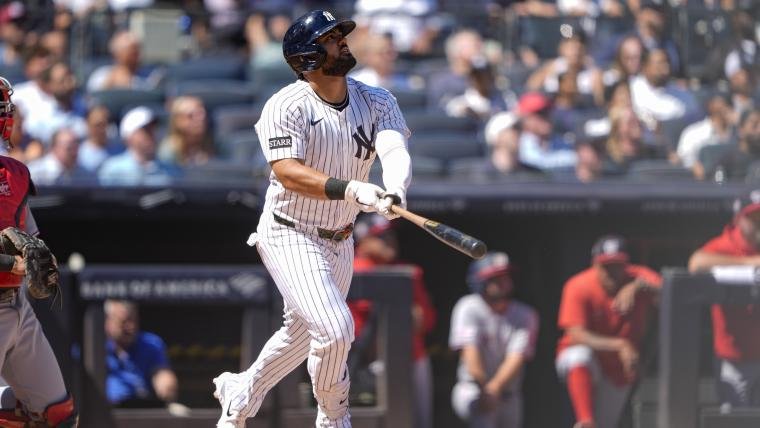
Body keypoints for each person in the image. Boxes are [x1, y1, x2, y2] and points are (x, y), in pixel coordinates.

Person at [211, 10, 413, 428]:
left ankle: (241, 394)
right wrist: (351, 188)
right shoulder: (286, 105)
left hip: (340, 237)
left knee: (301, 335)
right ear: (307, 57)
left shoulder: (378, 99)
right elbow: (288, 171)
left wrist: (395, 188)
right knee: (336, 330)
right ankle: (334, 417)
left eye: (340, 34)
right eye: (330, 38)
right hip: (290, 230)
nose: (342, 40)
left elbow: (394, 149)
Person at [0, 76, 77, 426]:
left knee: (57, 416)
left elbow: (31, 239)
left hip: (18, 306)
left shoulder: (14, 173)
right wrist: (12, 264)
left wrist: (43, 261)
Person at [556, 235, 662, 428]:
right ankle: (585, 421)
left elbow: (673, 293)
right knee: (579, 355)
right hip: (589, 362)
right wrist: (620, 345)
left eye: (617, 265)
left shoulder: (637, 276)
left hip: (620, 368)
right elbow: (576, 334)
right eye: (606, 266)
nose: (612, 272)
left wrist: (638, 286)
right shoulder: (579, 285)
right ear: (594, 265)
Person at [349, 214, 436, 428]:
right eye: (381, 236)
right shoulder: (351, 269)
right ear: (363, 241)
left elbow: (427, 320)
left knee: (419, 420)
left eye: (390, 235)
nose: (390, 240)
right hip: (367, 362)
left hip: (412, 357)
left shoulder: (408, 272)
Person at [687, 189, 760, 410]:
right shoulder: (726, 244)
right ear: (738, 219)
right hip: (735, 357)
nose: (759, 223)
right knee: (735, 418)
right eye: (754, 218)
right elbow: (696, 263)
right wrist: (751, 263)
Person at [449, 251, 539, 428]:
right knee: (484, 419)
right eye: (495, 278)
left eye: (506, 277)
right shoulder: (468, 307)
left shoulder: (525, 314)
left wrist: (494, 389)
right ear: (480, 281)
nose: (503, 283)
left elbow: (517, 357)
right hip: (473, 388)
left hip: (507, 393)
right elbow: (470, 354)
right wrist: (485, 389)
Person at [104, 299, 179, 407]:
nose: (131, 327)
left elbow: (161, 373)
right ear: (108, 322)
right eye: (124, 322)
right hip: (104, 409)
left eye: (134, 321)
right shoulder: (93, 345)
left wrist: (166, 385)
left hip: (142, 408)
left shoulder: (151, 343)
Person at [98, 106, 180, 186]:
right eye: (145, 130)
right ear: (129, 136)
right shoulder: (112, 170)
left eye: (154, 128)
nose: (152, 133)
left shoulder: (171, 171)